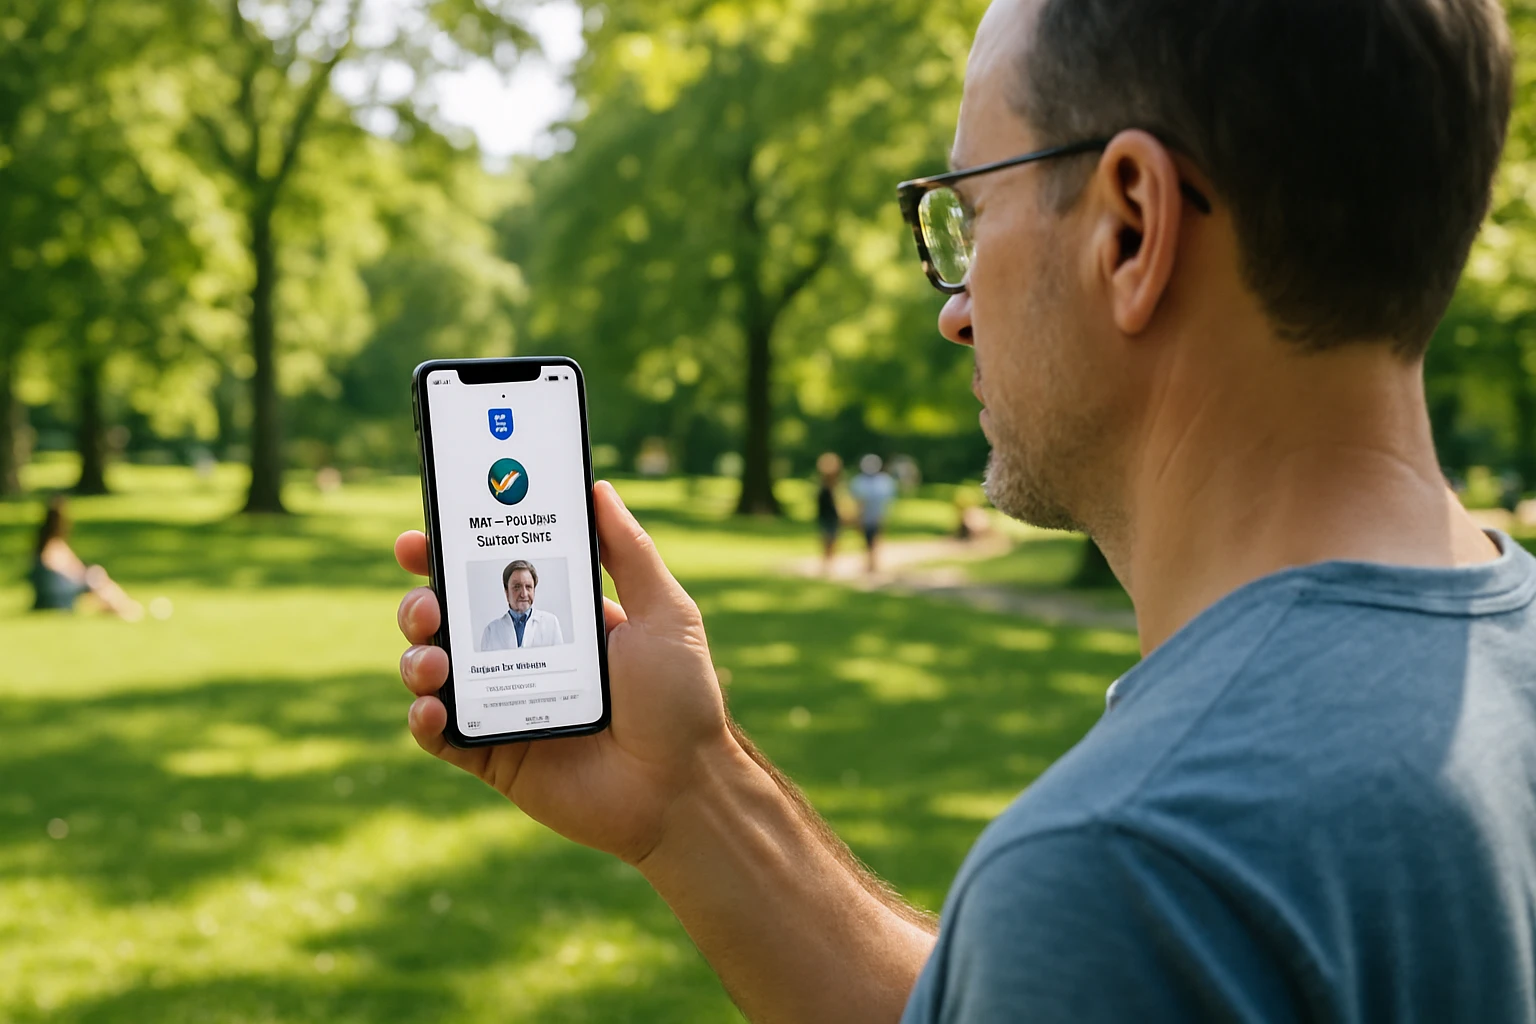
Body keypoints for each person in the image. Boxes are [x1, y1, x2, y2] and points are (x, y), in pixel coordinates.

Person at [392, 0, 1536, 1019]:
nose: (954, 310)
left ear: (1131, 226)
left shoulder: (1141, 864)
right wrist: (692, 797)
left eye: (968, 214)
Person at [30, 494, 141, 619]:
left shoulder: (44, 544)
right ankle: (122, 607)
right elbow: (61, 568)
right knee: (96, 576)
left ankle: (120, 607)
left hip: (54, 590)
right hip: (57, 591)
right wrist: (81, 575)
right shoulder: (53, 546)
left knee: (95, 579)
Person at [479, 560, 563, 651]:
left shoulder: (551, 623)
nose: (524, 594)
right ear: (507, 592)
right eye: (517, 587)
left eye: (528, 587)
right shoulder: (491, 631)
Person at [848, 454, 898, 573]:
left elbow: (887, 502)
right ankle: (870, 562)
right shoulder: (861, 481)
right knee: (867, 539)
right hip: (866, 516)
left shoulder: (883, 482)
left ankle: (873, 563)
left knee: (875, 539)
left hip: (876, 516)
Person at [814, 452, 844, 573]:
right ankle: (827, 563)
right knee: (828, 539)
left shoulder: (832, 486)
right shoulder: (826, 487)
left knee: (831, 539)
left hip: (830, 515)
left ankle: (828, 563)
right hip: (826, 515)